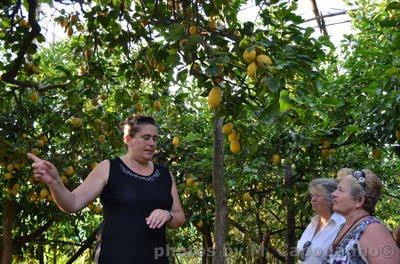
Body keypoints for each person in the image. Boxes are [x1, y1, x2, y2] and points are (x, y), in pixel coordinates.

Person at [28, 114, 185, 263]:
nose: (152, 143)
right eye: (146, 137)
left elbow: (179, 217)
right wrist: (54, 182)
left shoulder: (165, 175)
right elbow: (72, 203)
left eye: (155, 138)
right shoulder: (109, 168)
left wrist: (168, 214)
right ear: (128, 139)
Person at [323, 168, 400, 263]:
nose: (333, 194)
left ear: (359, 201)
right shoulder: (346, 227)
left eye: (340, 190)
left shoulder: (373, 230)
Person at [297, 178, 345, 263]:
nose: (313, 199)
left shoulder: (341, 224)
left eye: (318, 195)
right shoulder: (313, 223)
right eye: (312, 195)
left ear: (331, 198)